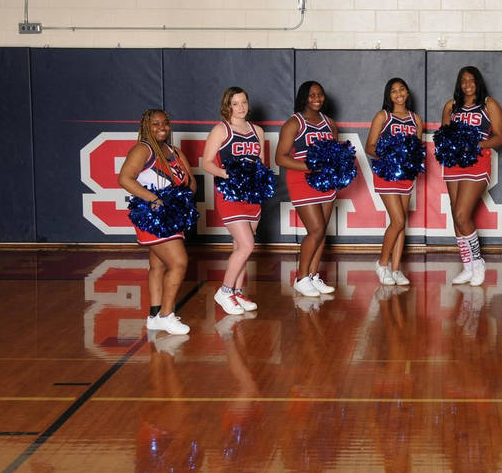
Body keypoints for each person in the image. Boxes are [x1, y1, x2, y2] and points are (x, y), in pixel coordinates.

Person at [118, 109, 196, 336]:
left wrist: (181, 199)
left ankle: (154, 315)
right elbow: (124, 178)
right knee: (179, 262)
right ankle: (166, 315)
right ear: (146, 126)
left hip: (173, 214)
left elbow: (190, 183)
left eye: (165, 123)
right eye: (155, 124)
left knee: (159, 265)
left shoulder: (175, 151)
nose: (161, 127)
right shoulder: (143, 149)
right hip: (153, 215)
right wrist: (155, 199)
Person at [202, 86, 265, 315]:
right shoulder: (221, 130)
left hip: (252, 195)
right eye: (235, 103)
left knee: (241, 247)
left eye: (244, 102)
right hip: (230, 194)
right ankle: (225, 290)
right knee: (247, 245)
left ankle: (237, 292)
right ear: (227, 106)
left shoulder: (257, 131)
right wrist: (228, 175)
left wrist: (259, 182)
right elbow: (207, 163)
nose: (241, 108)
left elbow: (261, 164)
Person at [441, 66, 502, 287]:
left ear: (478, 82)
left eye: (472, 80)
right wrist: (450, 146)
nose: (467, 84)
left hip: (478, 162)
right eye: (463, 80)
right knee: (454, 211)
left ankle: (478, 262)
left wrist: (476, 144)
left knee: (462, 214)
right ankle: (467, 266)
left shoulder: (489, 104)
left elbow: (500, 137)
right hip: (453, 164)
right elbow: (444, 135)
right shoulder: (451, 106)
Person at [275, 81, 339, 298]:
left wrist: (336, 168)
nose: (316, 98)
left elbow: (335, 154)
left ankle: (313, 275)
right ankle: (301, 278)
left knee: (323, 233)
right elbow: (280, 157)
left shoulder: (329, 123)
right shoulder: (294, 123)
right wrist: (309, 166)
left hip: (326, 181)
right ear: (304, 97)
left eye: (320, 94)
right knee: (316, 230)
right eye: (311, 95)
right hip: (302, 180)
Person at [365, 78, 423, 286]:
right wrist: (389, 156)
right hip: (387, 173)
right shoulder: (383, 116)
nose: (398, 93)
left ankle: (396, 269)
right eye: (393, 91)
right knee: (397, 220)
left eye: (402, 89)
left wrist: (411, 161)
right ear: (388, 96)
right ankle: (382, 264)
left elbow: (417, 149)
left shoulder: (416, 119)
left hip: (406, 175)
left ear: (407, 93)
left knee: (401, 224)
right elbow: (370, 146)